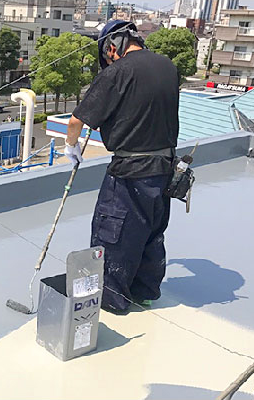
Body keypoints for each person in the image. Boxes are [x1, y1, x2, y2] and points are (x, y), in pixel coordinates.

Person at [63, 20, 180, 312]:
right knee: (151, 233)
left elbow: (77, 120)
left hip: (130, 171)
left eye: (108, 55)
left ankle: (112, 302)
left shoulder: (117, 72)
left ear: (112, 47)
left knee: (113, 236)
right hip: (164, 169)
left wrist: (71, 146)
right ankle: (145, 291)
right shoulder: (168, 67)